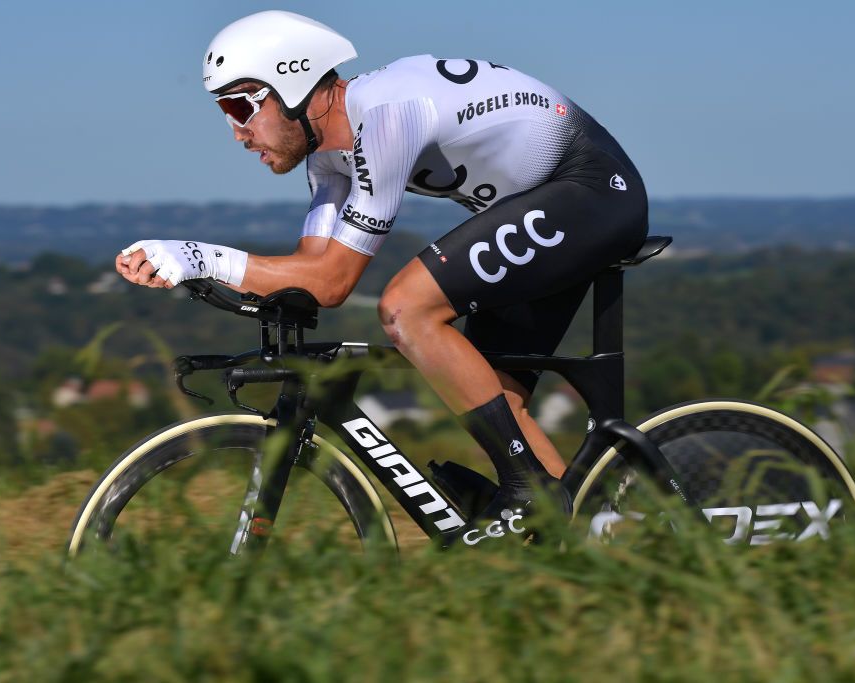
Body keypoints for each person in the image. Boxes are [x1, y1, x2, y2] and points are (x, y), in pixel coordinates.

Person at [116, 10, 648, 545]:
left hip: (593, 192)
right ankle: (586, 541)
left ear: (295, 83)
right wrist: (200, 278)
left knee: (407, 308)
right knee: (492, 397)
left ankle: (529, 492)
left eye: (240, 106)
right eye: (224, 111)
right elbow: (308, 276)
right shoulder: (328, 160)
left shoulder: (388, 115)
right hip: (549, 206)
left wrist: (199, 257)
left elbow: (333, 281)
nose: (237, 133)